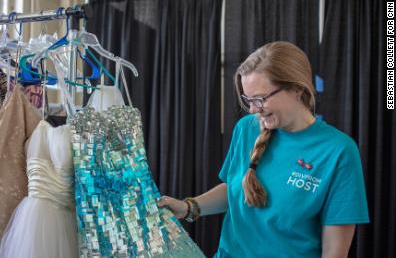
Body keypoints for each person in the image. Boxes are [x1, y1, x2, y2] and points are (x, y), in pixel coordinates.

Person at [158, 41, 369, 258]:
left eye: (260, 99)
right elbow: (235, 188)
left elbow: (334, 252)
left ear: (297, 89)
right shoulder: (246, 128)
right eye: (248, 100)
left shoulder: (338, 151)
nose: (253, 109)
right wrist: (189, 207)